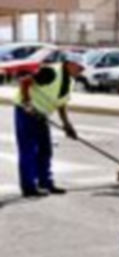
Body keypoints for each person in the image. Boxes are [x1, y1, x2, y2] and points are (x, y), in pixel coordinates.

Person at [13, 54, 83, 198]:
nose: (81, 70)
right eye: (79, 67)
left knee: (45, 149)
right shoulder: (50, 72)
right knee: (29, 150)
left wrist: (67, 125)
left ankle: (45, 182)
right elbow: (25, 81)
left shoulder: (69, 81)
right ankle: (29, 187)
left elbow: (61, 103)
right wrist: (27, 103)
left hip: (41, 114)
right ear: (69, 64)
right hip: (26, 112)